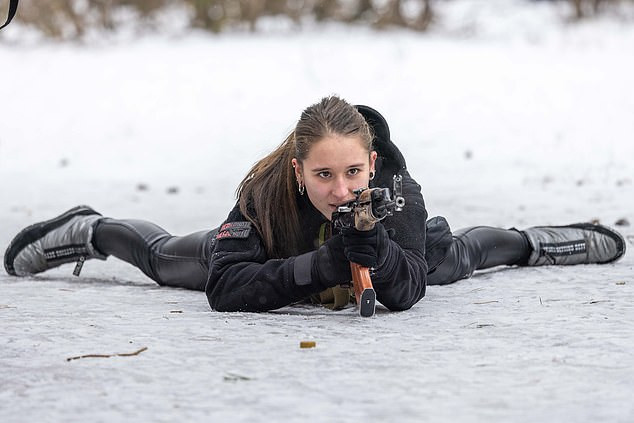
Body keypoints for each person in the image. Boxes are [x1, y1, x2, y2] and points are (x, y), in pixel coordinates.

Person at [3, 96, 626, 313]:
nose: (340, 189)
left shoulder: (392, 194)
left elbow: (407, 292)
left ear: (372, 164)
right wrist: (323, 268)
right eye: (323, 175)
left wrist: (377, 252)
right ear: (299, 170)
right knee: (167, 261)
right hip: (284, 255)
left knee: (458, 256)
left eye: (353, 172)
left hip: (384, 249)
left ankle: (543, 242)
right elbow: (226, 290)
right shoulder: (265, 194)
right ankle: (90, 230)